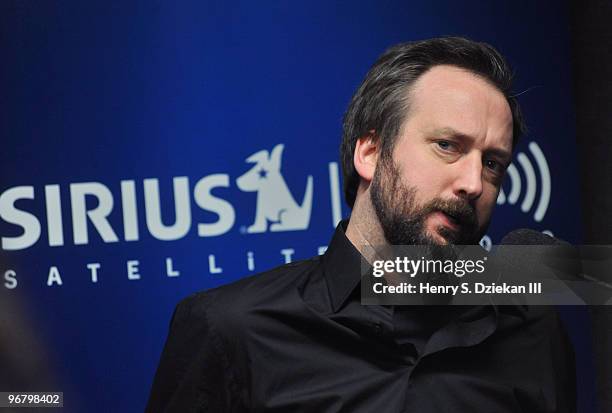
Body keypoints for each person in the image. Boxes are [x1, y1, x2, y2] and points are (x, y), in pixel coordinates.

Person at [145, 37, 576, 412]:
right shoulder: (230, 328)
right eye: (447, 145)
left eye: (493, 164)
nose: (472, 183)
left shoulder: (529, 331)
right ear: (369, 152)